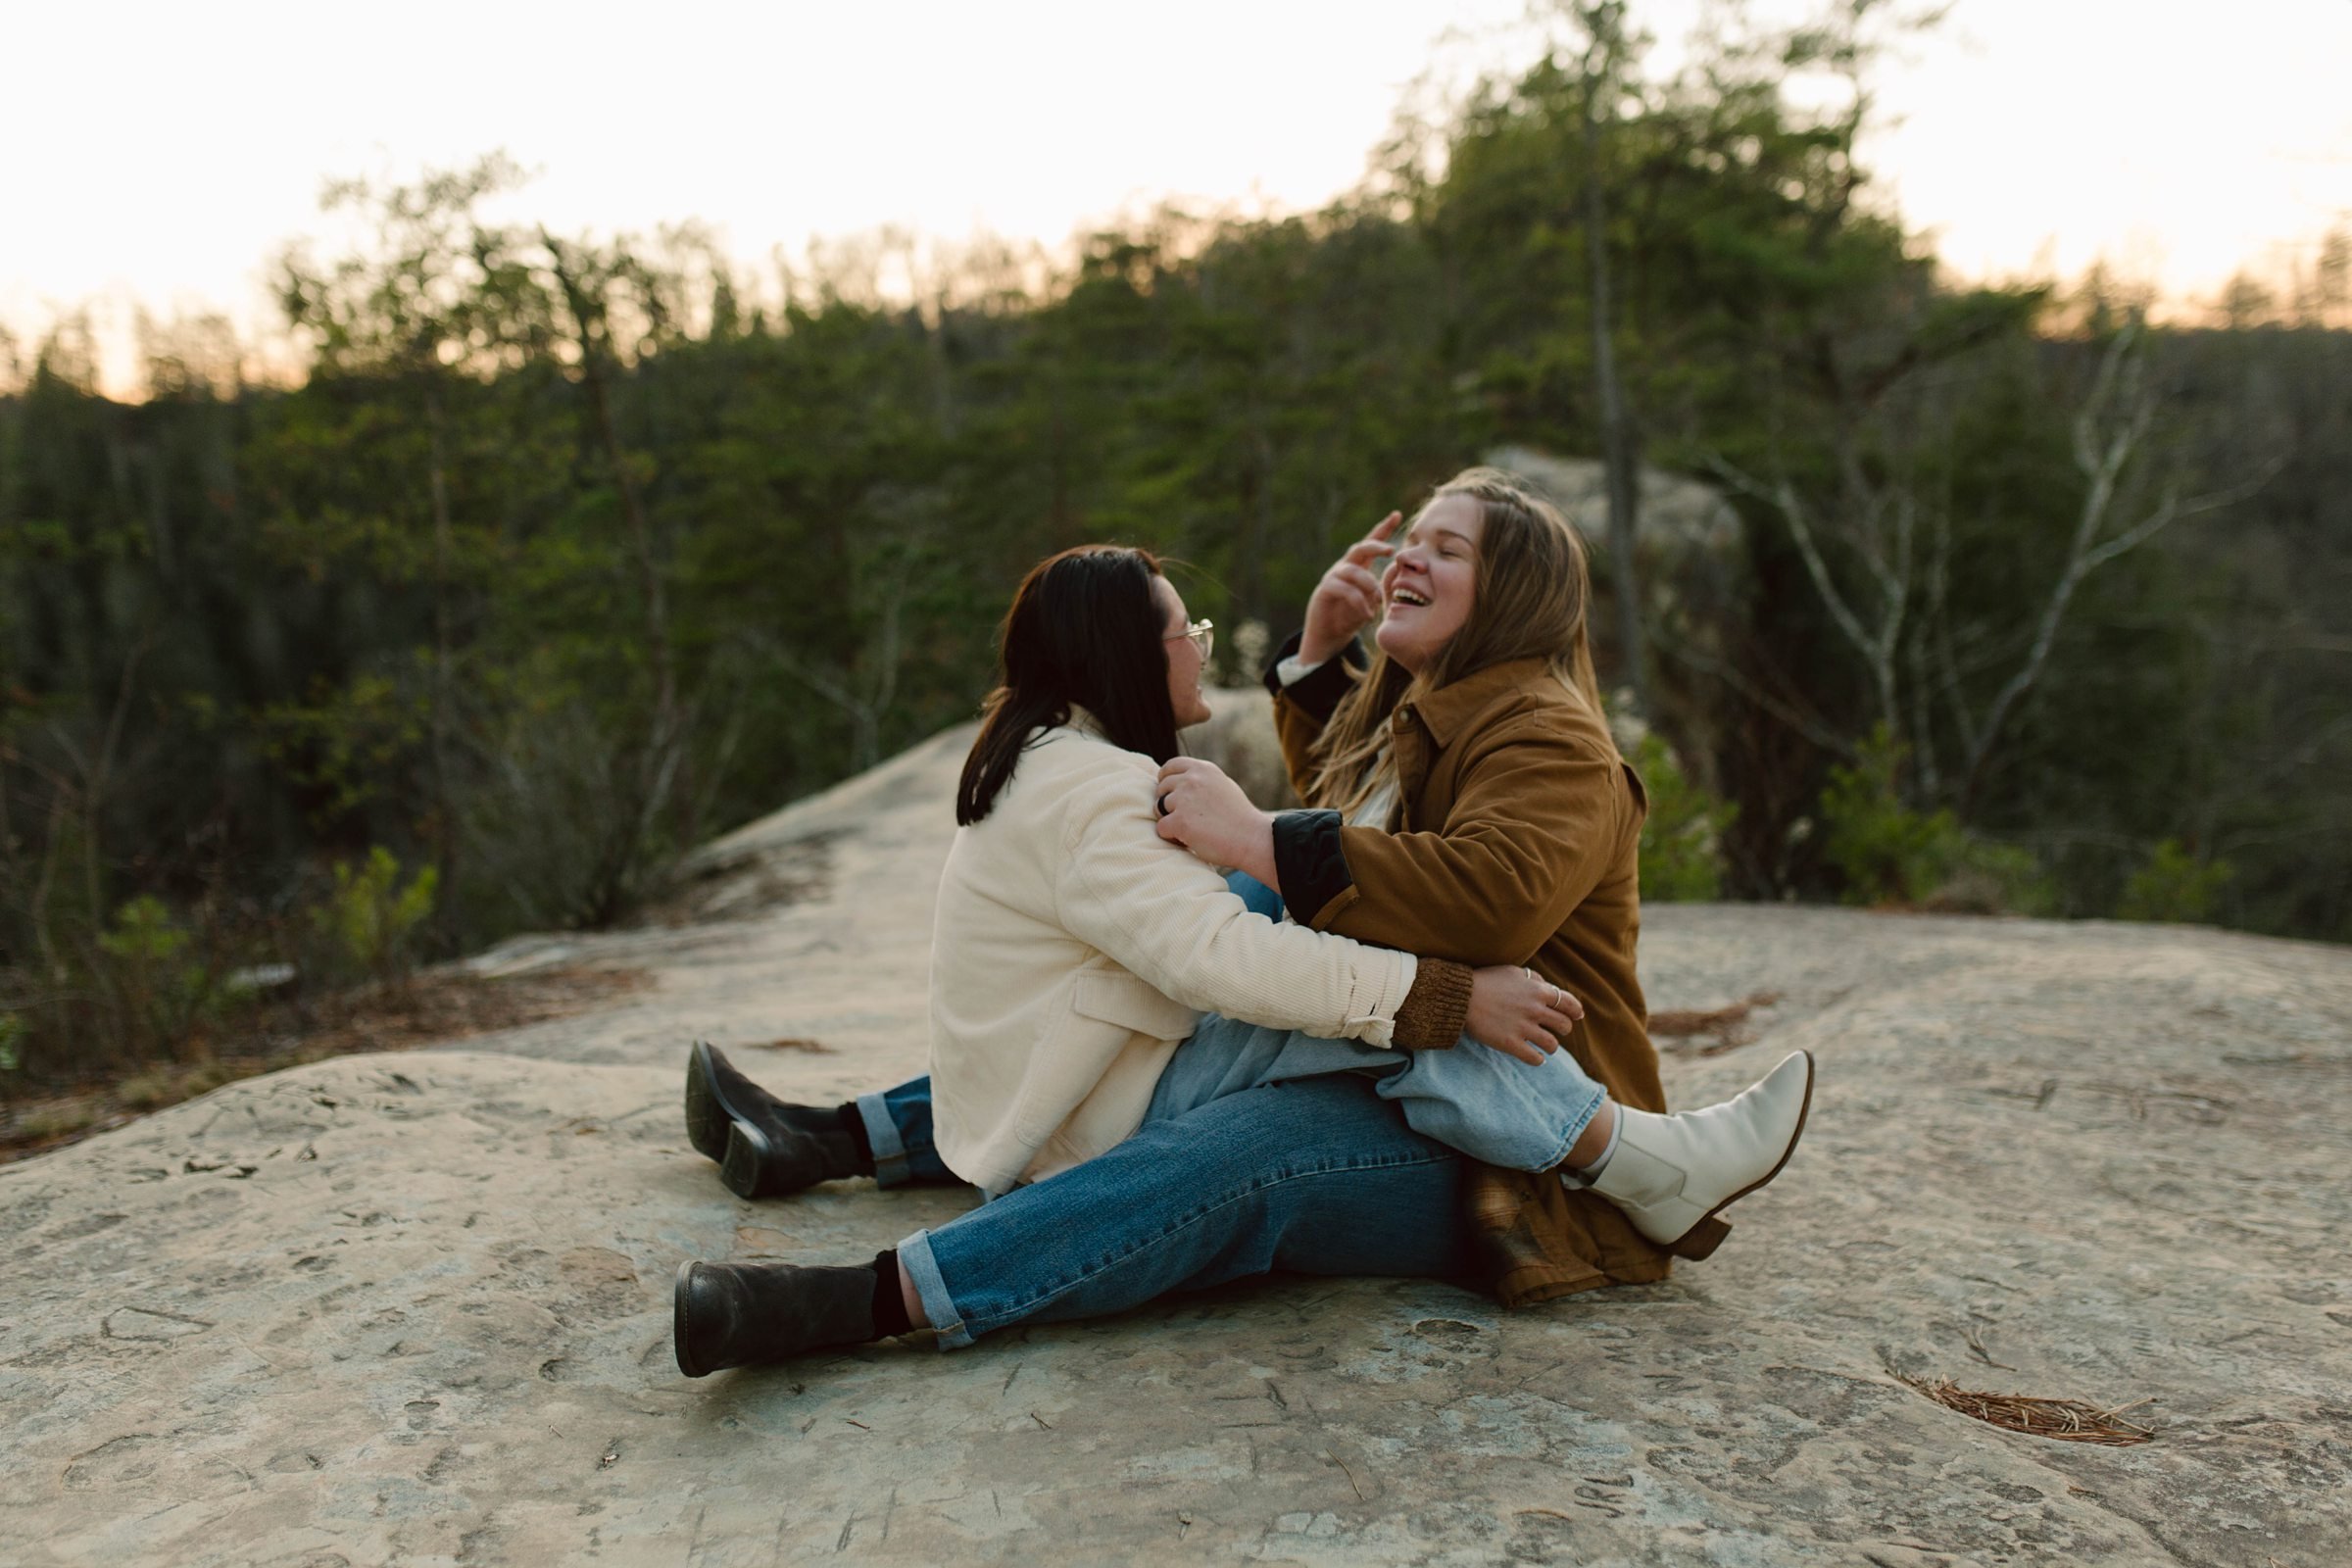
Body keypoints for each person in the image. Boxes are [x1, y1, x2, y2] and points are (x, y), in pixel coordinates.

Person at [672, 499, 1809, 1375]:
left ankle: (864, 1290)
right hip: (1436, 1079)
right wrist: (1320, 662)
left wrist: (1267, 842)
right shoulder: (1427, 715)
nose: (1408, 555)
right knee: (1225, 981)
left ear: (1513, 596)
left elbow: (1476, 905)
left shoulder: (1547, 739)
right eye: (1411, 535)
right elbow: (1366, 845)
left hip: (1508, 1145)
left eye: (1446, 548)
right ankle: (828, 1142)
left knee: (1256, 1111)